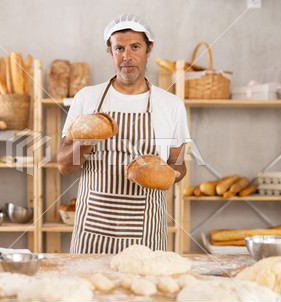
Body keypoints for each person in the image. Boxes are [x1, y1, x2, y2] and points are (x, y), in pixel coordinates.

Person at [57, 14, 190, 254]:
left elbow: (178, 164)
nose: (127, 57)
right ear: (110, 52)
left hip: (145, 230)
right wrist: (87, 141)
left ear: (149, 50)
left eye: (135, 47)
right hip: (93, 229)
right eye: (119, 48)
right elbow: (64, 166)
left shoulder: (170, 104)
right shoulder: (87, 98)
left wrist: (168, 175)